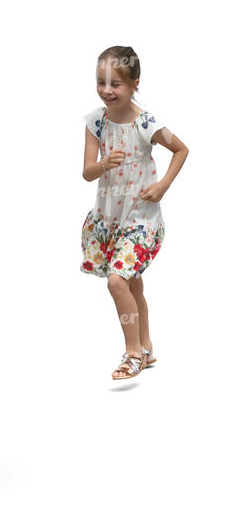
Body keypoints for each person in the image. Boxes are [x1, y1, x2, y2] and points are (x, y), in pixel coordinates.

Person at [80, 46, 188, 380]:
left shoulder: (147, 123)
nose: (107, 90)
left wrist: (163, 186)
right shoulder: (95, 121)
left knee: (117, 281)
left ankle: (132, 355)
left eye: (116, 84)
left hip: (140, 218)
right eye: (101, 82)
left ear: (134, 84)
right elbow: (86, 171)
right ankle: (147, 347)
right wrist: (103, 164)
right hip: (110, 217)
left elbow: (181, 149)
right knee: (133, 285)